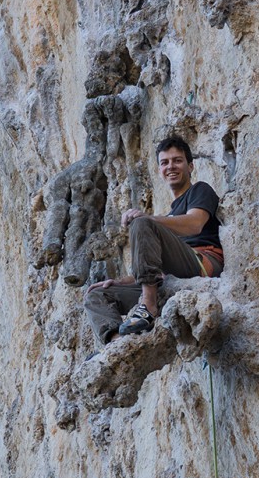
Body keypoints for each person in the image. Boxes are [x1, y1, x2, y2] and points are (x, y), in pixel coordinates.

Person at [84, 135, 223, 342]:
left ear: (190, 166)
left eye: (178, 160)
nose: (171, 166)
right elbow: (154, 266)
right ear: (159, 170)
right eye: (165, 162)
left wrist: (147, 219)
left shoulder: (199, 190)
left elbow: (195, 224)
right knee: (96, 295)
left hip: (201, 262)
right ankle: (116, 343)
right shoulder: (166, 217)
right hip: (170, 275)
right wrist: (122, 281)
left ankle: (148, 307)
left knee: (141, 222)